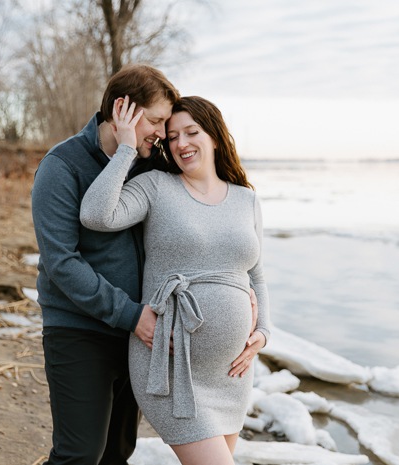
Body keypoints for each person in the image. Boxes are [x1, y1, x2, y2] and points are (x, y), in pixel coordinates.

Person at [80, 95, 271, 465]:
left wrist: (263, 332)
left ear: (214, 136)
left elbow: (256, 275)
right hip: (172, 368)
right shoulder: (156, 187)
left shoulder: (247, 200)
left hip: (232, 374)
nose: (181, 143)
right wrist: (125, 149)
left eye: (191, 132)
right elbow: (95, 215)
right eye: (171, 137)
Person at [31, 64, 179, 465]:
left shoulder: (152, 165)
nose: (162, 133)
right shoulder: (61, 166)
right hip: (78, 331)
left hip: (135, 334)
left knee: (117, 454)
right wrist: (132, 315)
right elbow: (61, 263)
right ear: (122, 111)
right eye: (156, 120)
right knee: (79, 456)